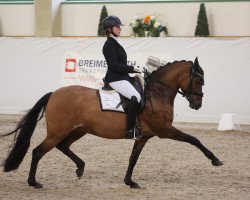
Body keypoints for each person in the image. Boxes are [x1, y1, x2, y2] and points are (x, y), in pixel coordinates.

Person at [102, 15, 142, 140]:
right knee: (135, 97)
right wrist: (132, 68)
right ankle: (130, 130)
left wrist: (132, 71)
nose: (120, 29)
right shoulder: (109, 44)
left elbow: (121, 64)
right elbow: (114, 66)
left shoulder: (115, 42)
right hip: (115, 78)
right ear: (109, 29)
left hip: (122, 77)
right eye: (117, 27)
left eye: (120, 27)